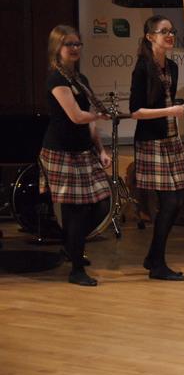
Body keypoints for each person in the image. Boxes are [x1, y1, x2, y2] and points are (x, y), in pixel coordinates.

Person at [38, 25, 111, 286]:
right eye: (69, 44)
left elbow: (89, 122)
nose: (75, 48)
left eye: (78, 44)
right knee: (75, 212)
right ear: (57, 48)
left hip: (83, 151)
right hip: (62, 152)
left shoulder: (80, 78)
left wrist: (101, 149)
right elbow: (77, 116)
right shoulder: (56, 80)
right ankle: (76, 269)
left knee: (102, 204)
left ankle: (71, 246)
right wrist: (100, 115)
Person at [130, 15, 184, 281]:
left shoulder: (172, 67)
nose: (170, 35)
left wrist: (173, 110)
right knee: (170, 201)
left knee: (177, 201)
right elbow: (136, 111)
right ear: (150, 36)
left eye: (171, 31)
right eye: (164, 31)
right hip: (151, 141)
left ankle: (154, 256)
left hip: (171, 138)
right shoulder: (143, 68)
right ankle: (157, 263)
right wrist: (170, 110)